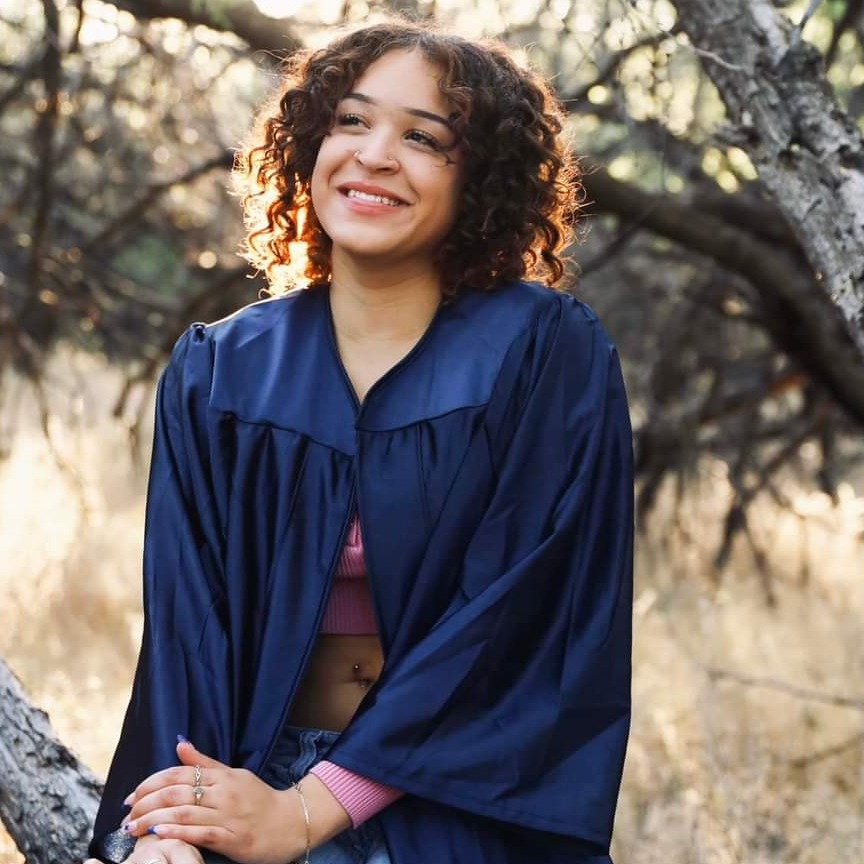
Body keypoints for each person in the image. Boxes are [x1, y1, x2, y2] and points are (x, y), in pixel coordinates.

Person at [85, 19, 633, 864]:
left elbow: (514, 622)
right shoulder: (221, 372)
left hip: (451, 803)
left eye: (424, 137)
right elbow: (188, 633)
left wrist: (312, 810)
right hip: (250, 783)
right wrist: (174, 826)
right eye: (350, 120)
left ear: (480, 179)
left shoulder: (542, 353)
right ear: (309, 145)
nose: (375, 155)